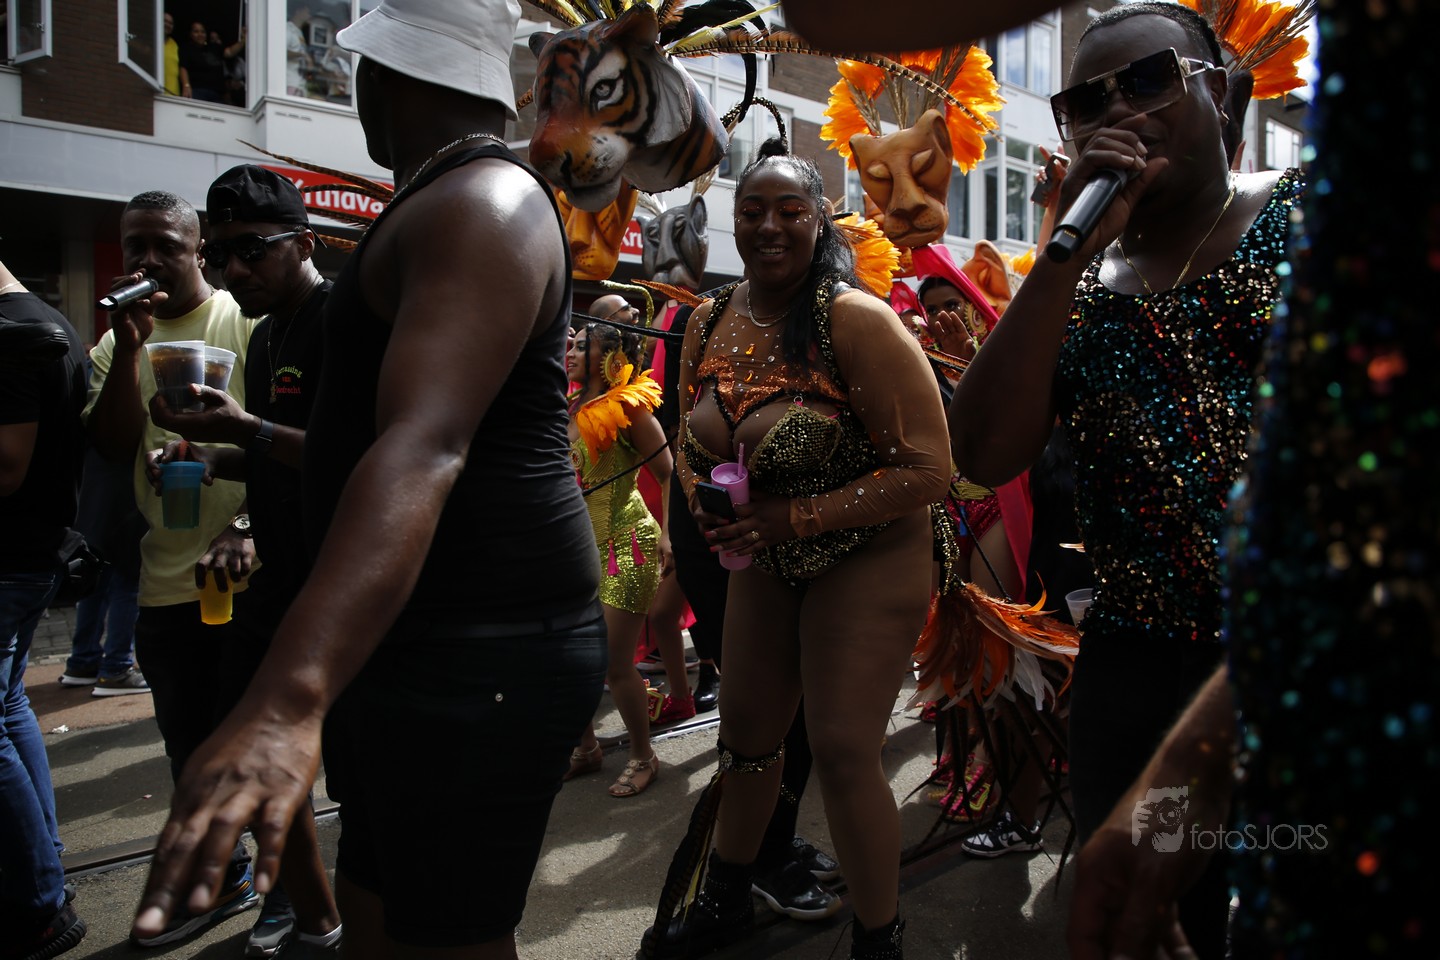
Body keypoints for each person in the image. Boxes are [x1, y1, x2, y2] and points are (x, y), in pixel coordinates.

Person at [131, 2, 605, 957]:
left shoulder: (483, 202)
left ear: (378, 75)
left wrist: (288, 694)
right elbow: (362, 445)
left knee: (451, 936)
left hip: (484, 647)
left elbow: (423, 445)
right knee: (375, 907)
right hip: (419, 634)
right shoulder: (442, 197)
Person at [948, 4, 1303, 954]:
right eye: (1084, 101)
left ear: (1219, 93)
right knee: (1149, 924)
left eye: (1148, 80)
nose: (1118, 111)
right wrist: (1063, 256)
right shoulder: (1077, 286)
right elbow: (979, 450)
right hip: (1138, 675)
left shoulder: (1309, 213)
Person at [647, 137, 952, 959]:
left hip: (871, 551)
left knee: (845, 748)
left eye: (790, 210)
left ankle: (879, 939)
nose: (769, 226)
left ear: (821, 221)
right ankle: (723, 899)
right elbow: (687, 438)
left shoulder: (855, 320)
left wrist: (801, 517)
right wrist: (704, 507)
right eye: (752, 211)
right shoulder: (708, 317)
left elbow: (930, 468)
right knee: (747, 739)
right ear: (733, 221)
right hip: (765, 554)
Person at [145, 165, 342, 957]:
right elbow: (271, 456)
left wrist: (246, 432)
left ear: (305, 243)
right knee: (244, 757)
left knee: (364, 781)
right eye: (220, 253)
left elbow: (358, 460)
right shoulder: (263, 337)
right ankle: (315, 921)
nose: (234, 268)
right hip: (278, 587)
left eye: (251, 249)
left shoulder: (341, 321)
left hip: (347, 591)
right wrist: (207, 456)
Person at [86, 189, 263, 946]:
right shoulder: (115, 342)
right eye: (137, 246)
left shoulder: (243, 321)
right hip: (165, 579)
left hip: (251, 574)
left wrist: (250, 525)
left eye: (166, 244)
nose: (150, 259)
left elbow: (290, 439)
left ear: (198, 249)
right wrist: (129, 348)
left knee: (253, 747)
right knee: (189, 747)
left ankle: (290, 893)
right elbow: (109, 445)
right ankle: (225, 878)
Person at [0, 263, 89, 960]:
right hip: (31, 554)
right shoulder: (43, 323)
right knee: (8, 705)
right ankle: (41, 867)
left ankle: (37, 900)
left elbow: (7, 465)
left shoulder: (15, 334)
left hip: (12, 556)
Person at [563, 320, 673, 795]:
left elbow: (668, 472)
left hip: (625, 545)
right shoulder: (567, 407)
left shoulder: (628, 407)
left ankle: (643, 755)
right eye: (570, 346)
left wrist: (669, 536)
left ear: (610, 359)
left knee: (614, 664)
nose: (570, 353)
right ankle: (585, 748)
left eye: (581, 347)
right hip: (577, 550)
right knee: (571, 659)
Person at [58, 441, 147, 696]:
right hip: (127, 498)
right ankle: (117, 667)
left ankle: (83, 661)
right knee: (128, 583)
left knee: (97, 580)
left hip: (96, 496)